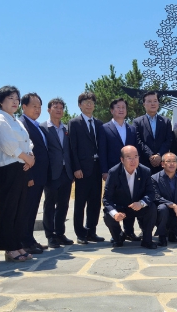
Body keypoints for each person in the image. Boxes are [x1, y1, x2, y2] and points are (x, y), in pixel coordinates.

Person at [0, 85, 35, 263]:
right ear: (1, 101)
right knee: (9, 209)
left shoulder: (16, 121)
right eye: (11, 98)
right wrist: (26, 157)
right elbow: (8, 145)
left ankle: (17, 244)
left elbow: (28, 142)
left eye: (17, 98)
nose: (15, 101)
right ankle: (9, 247)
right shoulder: (0, 120)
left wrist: (30, 156)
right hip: (8, 168)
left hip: (22, 166)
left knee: (19, 209)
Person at [68, 92, 107, 244]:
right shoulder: (74, 123)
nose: (89, 104)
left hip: (97, 168)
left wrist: (104, 169)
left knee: (95, 202)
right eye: (86, 102)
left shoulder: (99, 123)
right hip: (82, 169)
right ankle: (80, 234)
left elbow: (102, 147)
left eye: (91, 102)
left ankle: (91, 231)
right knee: (80, 202)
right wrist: (76, 168)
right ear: (80, 105)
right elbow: (73, 148)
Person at [102, 145, 158, 249]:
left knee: (152, 208)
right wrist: (115, 214)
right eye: (129, 157)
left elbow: (151, 193)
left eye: (136, 157)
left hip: (138, 206)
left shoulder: (145, 171)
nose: (133, 161)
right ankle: (118, 236)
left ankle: (147, 240)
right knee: (108, 215)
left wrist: (141, 203)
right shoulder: (113, 172)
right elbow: (106, 198)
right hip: (121, 207)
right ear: (122, 159)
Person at [102, 97, 140, 241]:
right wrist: (104, 170)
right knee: (113, 199)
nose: (121, 110)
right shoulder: (104, 128)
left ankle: (129, 231)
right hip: (113, 171)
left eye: (123, 107)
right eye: (118, 107)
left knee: (129, 198)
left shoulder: (132, 128)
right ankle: (117, 233)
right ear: (112, 110)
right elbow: (102, 151)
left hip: (130, 170)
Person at [40, 97, 75, 248]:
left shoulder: (67, 129)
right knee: (49, 205)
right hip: (51, 173)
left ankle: (60, 233)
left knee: (63, 204)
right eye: (55, 107)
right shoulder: (42, 128)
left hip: (66, 172)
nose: (59, 110)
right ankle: (50, 236)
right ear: (49, 110)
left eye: (61, 108)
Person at [18, 93, 50, 254]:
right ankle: (24, 242)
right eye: (34, 106)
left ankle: (30, 239)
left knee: (32, 210)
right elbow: (24, 152)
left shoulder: (36, 125)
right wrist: (29, 176)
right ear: (24, 107)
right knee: (26, 211)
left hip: (40, 176)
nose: (37, 110)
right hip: (31, 176)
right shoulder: (22, 124)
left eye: (39, 107)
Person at [152, 153, 177, 247]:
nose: (172, 164)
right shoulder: (154, 178)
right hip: (161, 213)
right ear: (162, 164)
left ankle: (173, 233)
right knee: (162, 208)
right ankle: (162, 235)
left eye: (174, 161)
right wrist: (172, 205)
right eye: (168, 161)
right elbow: (156, 197)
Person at [134, 91, 173, 174]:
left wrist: (159, 155)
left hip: (163, 163)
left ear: (158, 103)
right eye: (149, 101)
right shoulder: (137, 122)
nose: (153, 104)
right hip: (144, 163)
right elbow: (138, 141)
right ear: (144, 104)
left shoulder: (166, 121)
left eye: (155, 101)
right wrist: (150, 155)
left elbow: (168, 140)